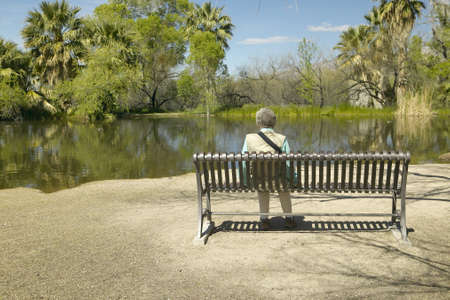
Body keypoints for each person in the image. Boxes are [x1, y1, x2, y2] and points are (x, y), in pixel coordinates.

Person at [242, 108, 295, 230]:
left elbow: (244, 162)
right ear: (274, 123)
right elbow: (288, 163)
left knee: (262, 186)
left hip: (259, 179)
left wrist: (245, 180)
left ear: (258, 123)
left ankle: (264, 220)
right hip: (279, 180)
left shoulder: (249, 138)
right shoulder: (282, 139)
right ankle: (289, 219)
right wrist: (292, 179)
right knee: (283, 188)